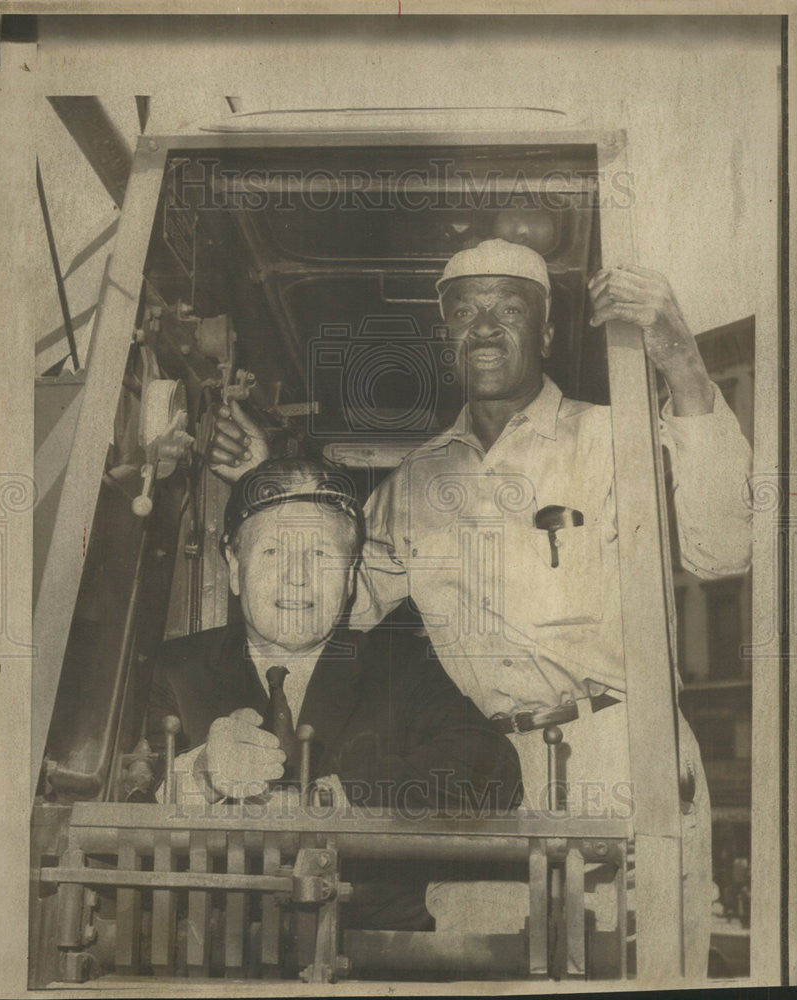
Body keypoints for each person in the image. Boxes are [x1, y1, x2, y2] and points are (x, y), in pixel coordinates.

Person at [207, 240, 752, 975]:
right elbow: (324, 603)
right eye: (464, 311)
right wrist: (270, 482)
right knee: (497, 968)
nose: (486, 326)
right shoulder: (415, 480)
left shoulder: (612, 437)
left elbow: (724, 550)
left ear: (549, 333)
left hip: (619, 746)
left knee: (636, 967)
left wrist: (682, 364)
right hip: (482, 775)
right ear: (445, 340)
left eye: (509, 308)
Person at [147, 456, 522, 932]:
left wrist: (342, 796)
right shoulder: (175, 669)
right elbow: (115, 799)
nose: (297, 576)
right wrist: (200, 775)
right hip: (212, 948)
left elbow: (494, 767)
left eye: (320, 554)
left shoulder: (398, 665)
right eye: (272, 553)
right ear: (233, 566)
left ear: (350, 577)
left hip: (367, 949)